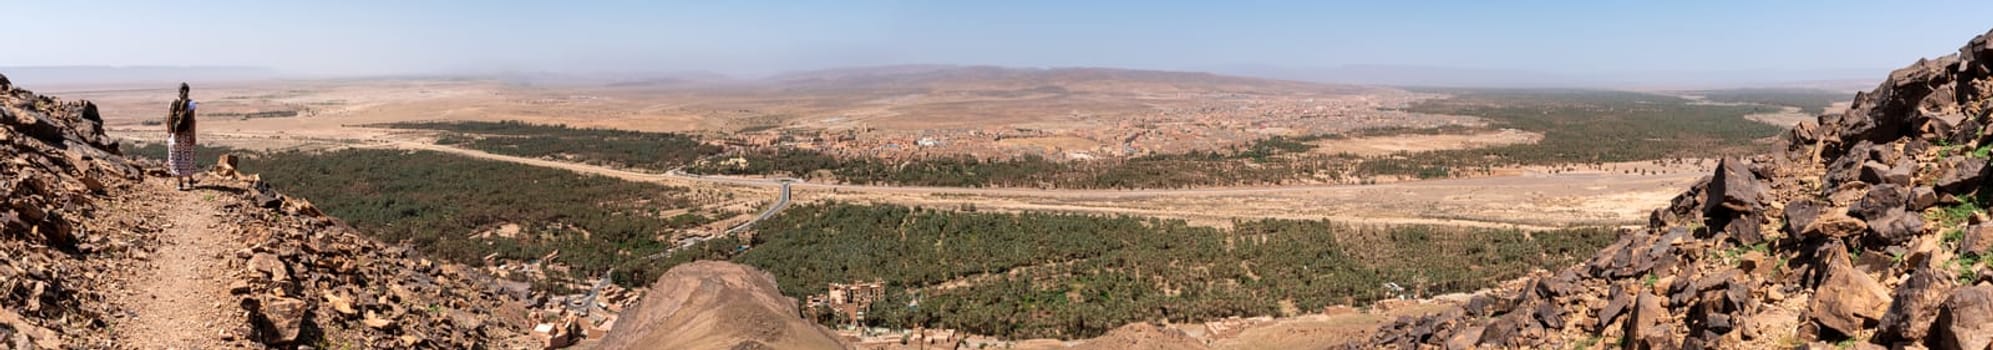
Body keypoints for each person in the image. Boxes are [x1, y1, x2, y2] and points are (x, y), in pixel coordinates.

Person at [166, 83, 199, 190]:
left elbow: (168, 120)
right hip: (187, 135)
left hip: (175, 135)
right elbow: (192, 121)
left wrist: (169, 132)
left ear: (178, 91)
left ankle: (180, 183)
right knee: (188, 158)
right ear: (188, 91)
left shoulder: (172, 103)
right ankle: (190, 180)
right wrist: (193, 136)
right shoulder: (191, 104)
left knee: (175, 158)